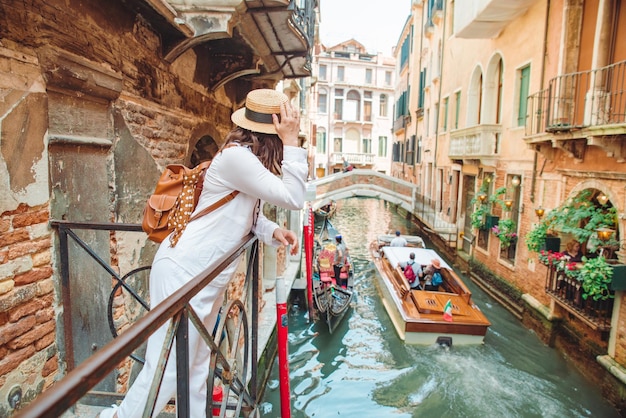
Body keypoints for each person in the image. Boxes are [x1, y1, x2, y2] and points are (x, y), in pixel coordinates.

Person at [98, 89, 306, 418]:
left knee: (196, 370)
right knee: (166, 369)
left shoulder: (246, 161)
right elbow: (294, 197)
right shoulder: (237, 158)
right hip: (184, 270)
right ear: (271, 136)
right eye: (281, 137)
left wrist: (271, 231)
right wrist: (292, 140)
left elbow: (246, 212)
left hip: (206, 278)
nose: (286, 145)